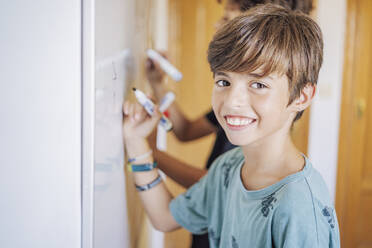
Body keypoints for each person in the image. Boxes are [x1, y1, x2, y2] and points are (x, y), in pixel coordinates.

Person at [123, 4, 340, 247]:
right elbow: (164, 217)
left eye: (258, 85)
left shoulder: (299, 208)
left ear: (301, 96)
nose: (232, 102)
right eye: (223, 81)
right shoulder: (227, 167)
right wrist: (135, 141)